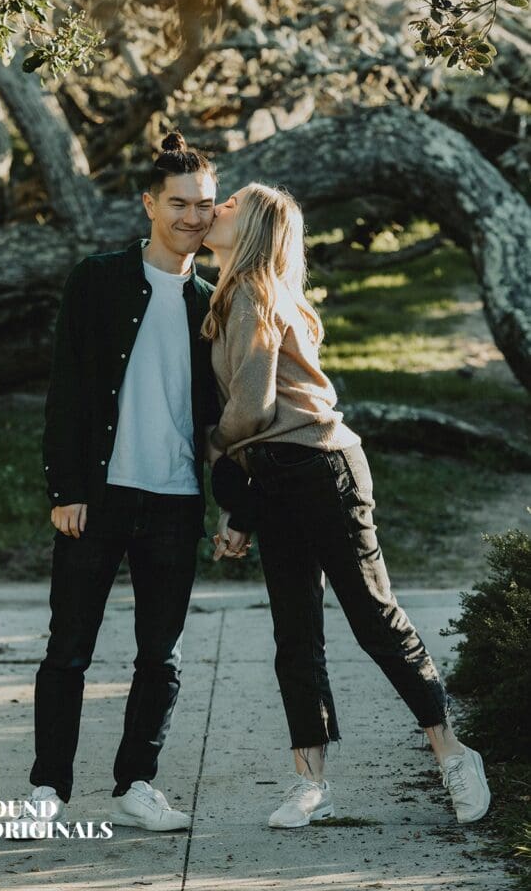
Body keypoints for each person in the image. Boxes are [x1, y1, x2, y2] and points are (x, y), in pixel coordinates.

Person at [201, 182, 491, 829]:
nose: (215, 209)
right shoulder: (233, 295)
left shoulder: (252, 294)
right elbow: (259, 430)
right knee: (294, 633)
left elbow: (253, 410)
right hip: (277, 475)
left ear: (253, 229)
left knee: (372, 617)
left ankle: (453, 753)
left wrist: (214, 448)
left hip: (320, 470)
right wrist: (241, 506)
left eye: (229, 204)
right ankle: (310, 784)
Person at [21, 132, 219, 834]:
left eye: (204, 204)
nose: (192, 216)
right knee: (68, 649)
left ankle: (137, 785)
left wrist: (234, 504)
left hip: (175, 499)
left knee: (160, 657)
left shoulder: (215, 299)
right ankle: (49, 789)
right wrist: (64, 489)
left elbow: (223, 414)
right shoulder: (97, 280)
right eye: (178, 203)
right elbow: (67, 391)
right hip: (99, 496)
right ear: (148, 204)